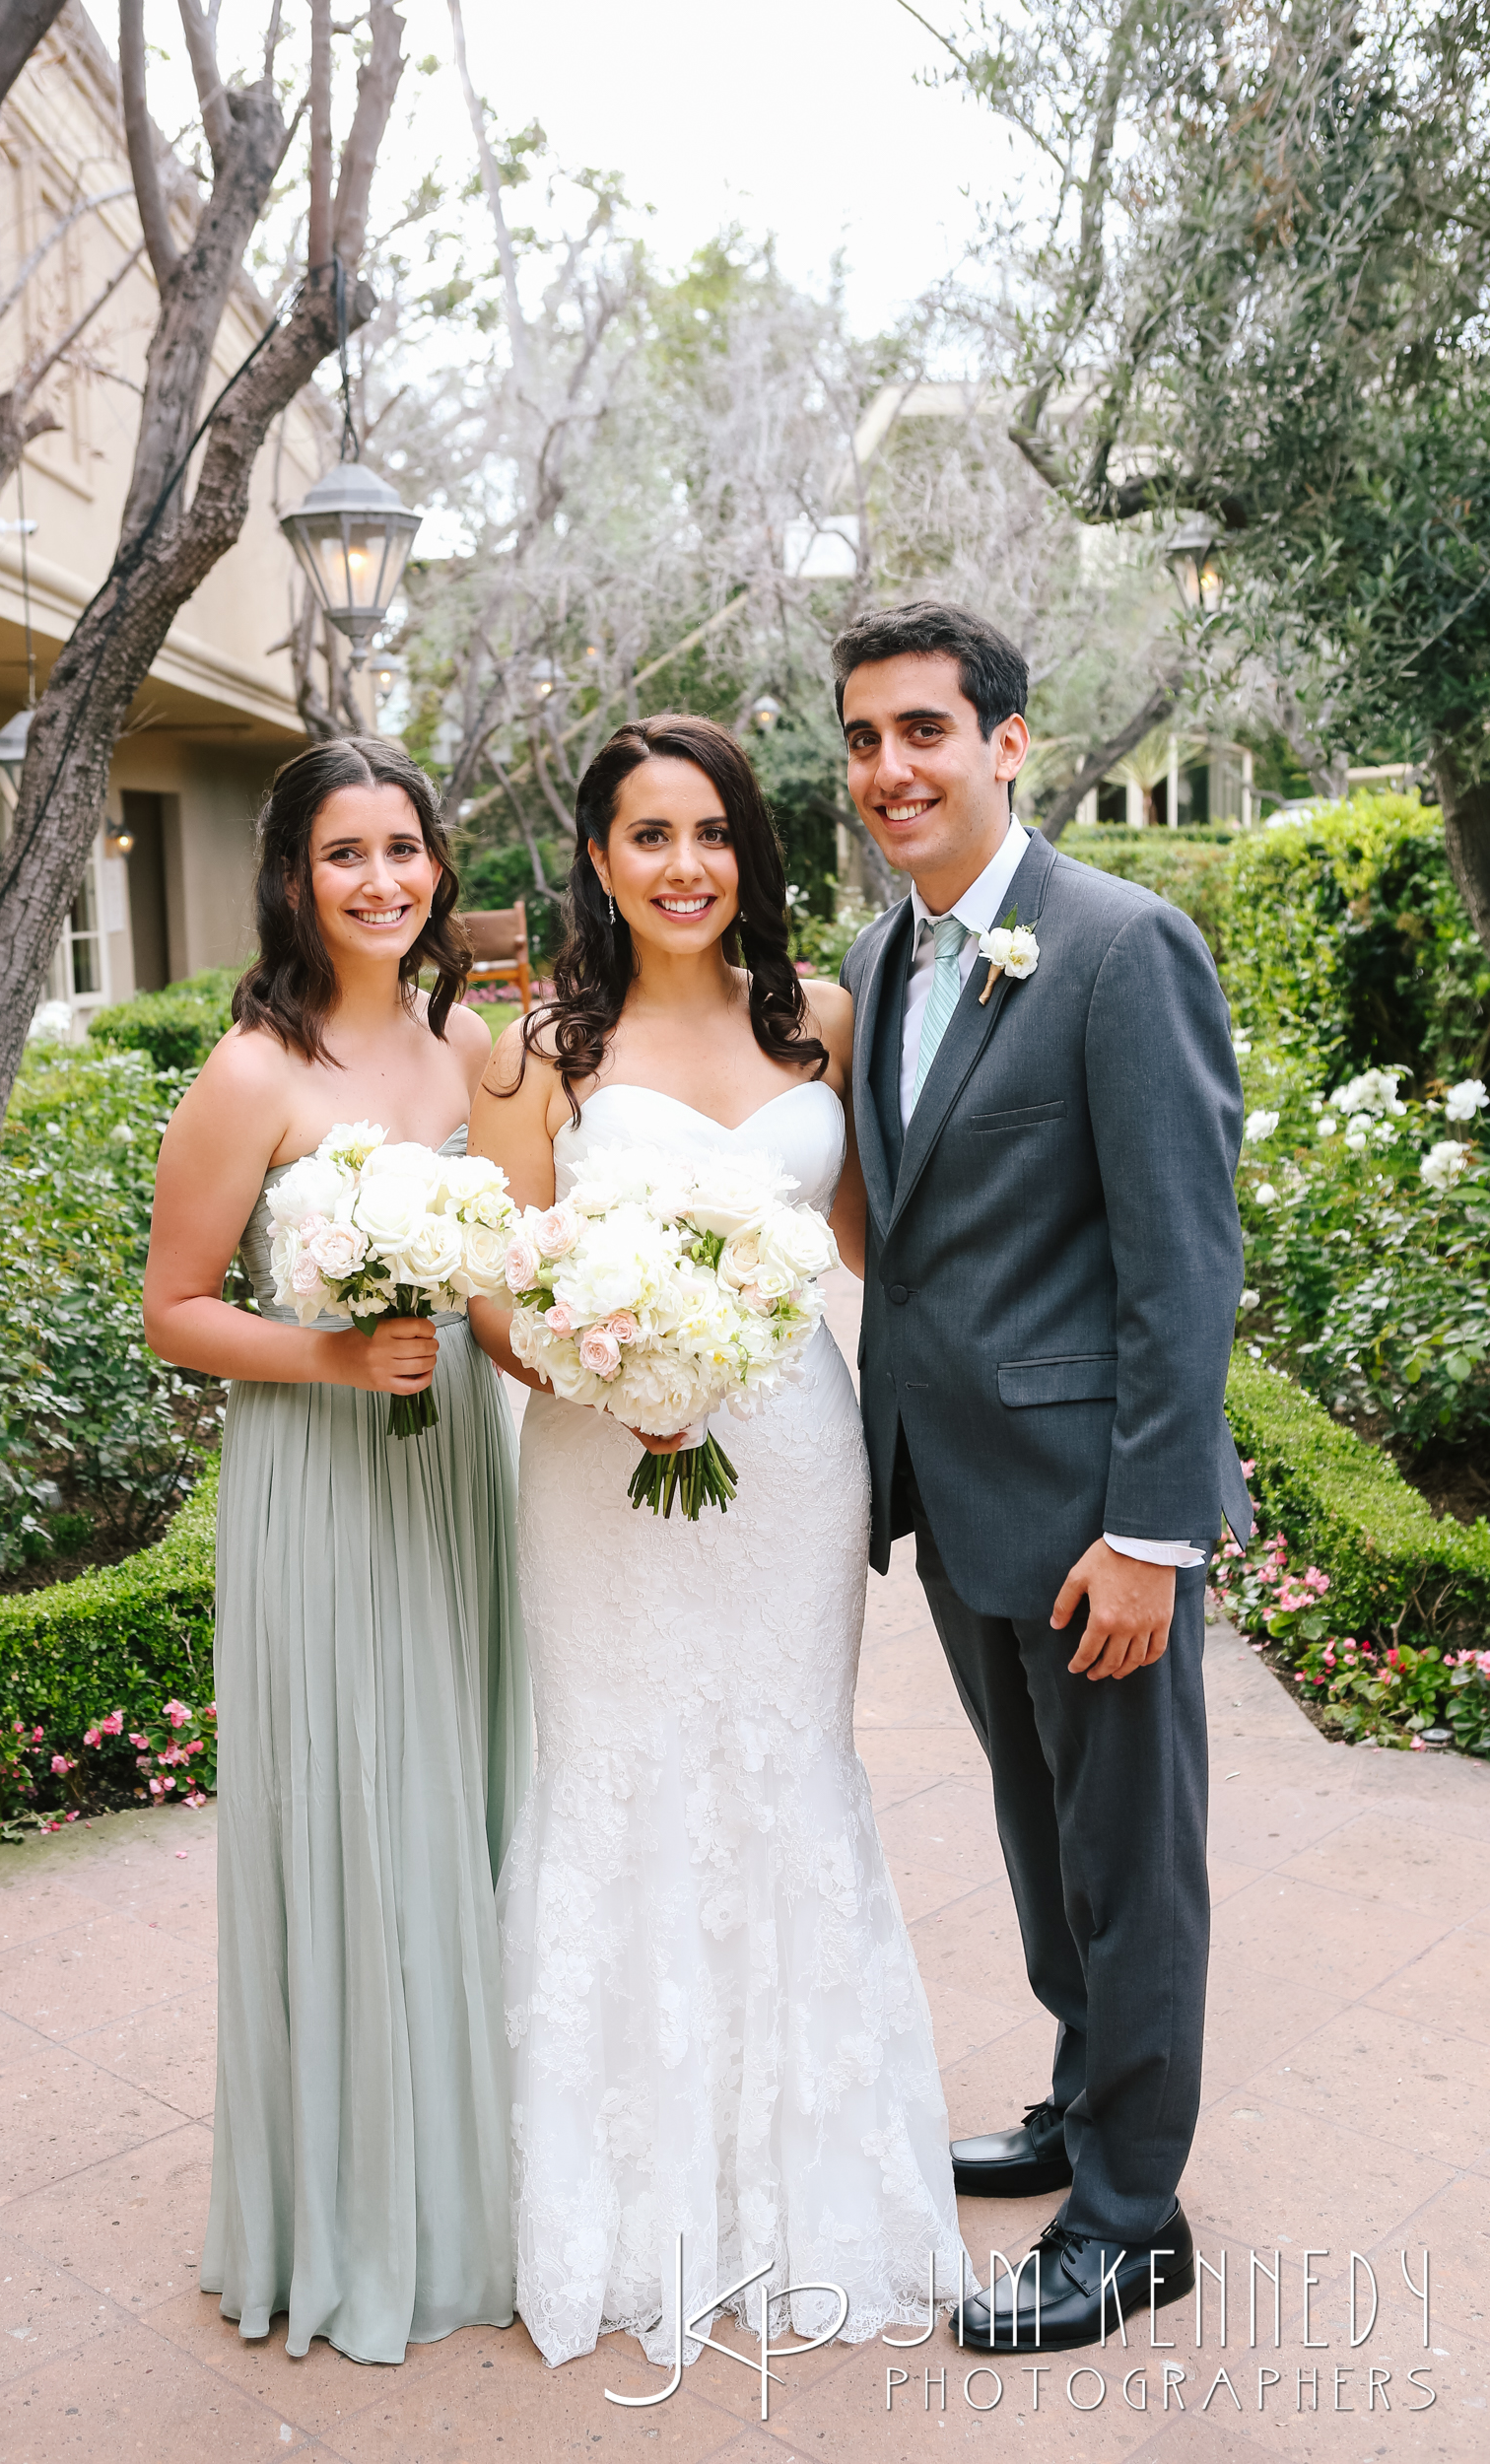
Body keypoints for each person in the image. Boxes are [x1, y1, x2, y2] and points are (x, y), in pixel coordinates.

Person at [468, 712, 975, 2372]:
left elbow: (877, 1245)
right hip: (599, 1462)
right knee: (614, 1766)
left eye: (711, 834)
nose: (683, 866)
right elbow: (492, 1288)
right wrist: (605, 1367)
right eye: (647, 836)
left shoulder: (820, 1019)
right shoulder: (539, 1050)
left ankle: (801, 2192)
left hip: (791, 1466)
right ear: (600, 861)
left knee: (783, 1767)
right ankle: (615, 2203)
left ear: (750, 854)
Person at [835, 602, 1250, 2352]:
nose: (887, 771)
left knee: (1130, 1856)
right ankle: (1085, 2108)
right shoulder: (880, 960)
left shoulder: (1115, 943)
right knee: (1037, 1832)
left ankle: (1133, 2216)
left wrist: (1153, 1531)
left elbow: (1183, 1265)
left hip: (1099, 1518)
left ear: (1007, 741)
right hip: (957, 1496)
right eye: (859, 740)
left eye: (923, 731)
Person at [143, 736, 532, 2365]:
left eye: (405, 849)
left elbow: (516, 1278)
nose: (383, 881)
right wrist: (329, 1356)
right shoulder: (255, 1072)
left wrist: (625, 1363)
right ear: (294, 880)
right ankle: (354, 2210)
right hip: (321, 1477)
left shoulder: (481, 1054)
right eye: (344, 856)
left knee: (468, 1797)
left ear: (438, 864)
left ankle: (486, 2179)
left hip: (456, 1474)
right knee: (357, 1820)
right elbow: (173, 1311)